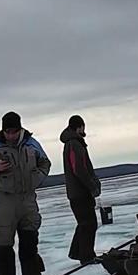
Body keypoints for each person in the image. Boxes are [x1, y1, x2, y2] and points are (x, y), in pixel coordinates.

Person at [0, 111, 56, 275]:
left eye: (14, 131)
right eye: (7, 131)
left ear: (20, 129)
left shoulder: (32, 144)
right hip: (5, 200)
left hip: (28, 200)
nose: (11, 135)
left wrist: (37, 178)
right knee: (2, 244)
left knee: (29, 242)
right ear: (3, 130)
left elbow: (45, 163)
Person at [60, 114, 101, 265]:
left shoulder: (73, 143)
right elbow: (79, 168)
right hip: (80, 192)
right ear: (80, 127)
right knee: (88, 224)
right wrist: (92, 186)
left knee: (85, 223)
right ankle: (86, 256)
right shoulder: (74, 144)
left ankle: (77, 252)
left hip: (78, 192)